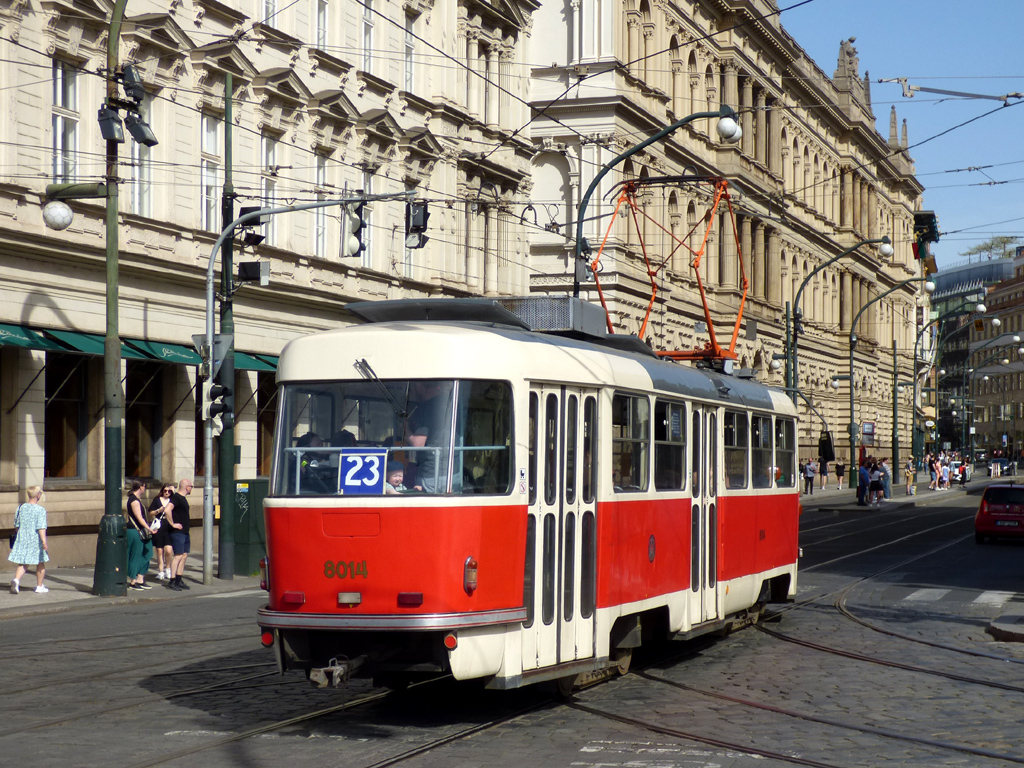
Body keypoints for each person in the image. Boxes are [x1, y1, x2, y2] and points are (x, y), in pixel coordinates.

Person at [406, 382, 452, 493]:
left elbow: (418, 443)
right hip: (453, 471)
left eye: (411, 390)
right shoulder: (452, 404)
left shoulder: (425, 407)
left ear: (419, 386)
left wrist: (405, 428)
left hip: (430, 474)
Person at [9, 486, 49, 594]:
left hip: (23, 538)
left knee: (23, 563)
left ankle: (16, 580)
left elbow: (17, 525)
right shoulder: (40, 510)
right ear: (37, 495)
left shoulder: (21, 508)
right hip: (35, 540)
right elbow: (41, 527)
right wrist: (44, 541)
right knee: (40, 562)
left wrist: (21, 535)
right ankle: (39, 586)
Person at [164, 478, 194, 591]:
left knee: (184, 555)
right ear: (187, 487)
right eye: (191, 486)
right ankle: (172, 581)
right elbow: (167, 510)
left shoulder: (183, 499)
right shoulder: (176, 498)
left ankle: (178, 579)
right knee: (178, 555)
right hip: (178, 533)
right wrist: (173, 524)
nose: (191, 488)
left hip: (185, 532)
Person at [125, 480, 153, 590]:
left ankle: (141, 578)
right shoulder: (134, 500)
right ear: (141, 487)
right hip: (135, 531)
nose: (145, 489)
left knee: (148, 552)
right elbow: (139, 517)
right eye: (144, 486)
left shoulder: (138, 500)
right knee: (136, 555)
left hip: (142, 531)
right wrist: (149, 528)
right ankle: (133, 580)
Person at [149, 483, 176, 580]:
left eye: (169, 491)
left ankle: (168, 569)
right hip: (159, 527)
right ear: (162, 491)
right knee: (159, 551)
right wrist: (158, 510)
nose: (167, 493)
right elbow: (151, 513)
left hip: (169, 527)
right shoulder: (157, 500)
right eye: (165, 491)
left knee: (168, 551)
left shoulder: (173, 501)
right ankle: (161, 571)